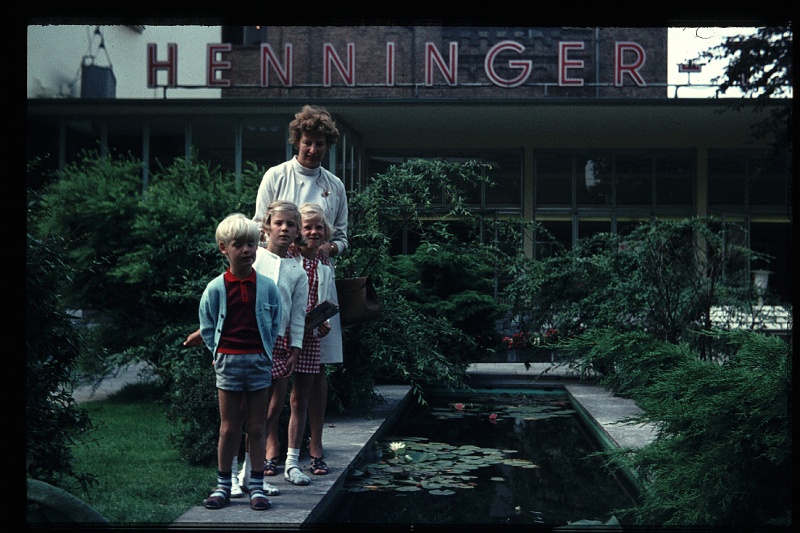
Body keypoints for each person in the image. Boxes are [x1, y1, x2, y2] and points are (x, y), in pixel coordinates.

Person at [252, 105, 347, 476]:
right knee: (277, 363)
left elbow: (342, 236)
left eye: (320, 144)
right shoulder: (276, 176)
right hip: (280, 279)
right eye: (308, 143)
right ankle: (273, 445)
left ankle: (315, 443)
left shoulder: (334, 185)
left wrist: (330, 248)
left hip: (319, 282)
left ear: (327, 146)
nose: (313, 150)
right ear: (297, 141)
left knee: (316, 366)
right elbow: (261, 226)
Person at [198, 213, 281, 511]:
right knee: (228, 427)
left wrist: (265, 352)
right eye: (239, 245)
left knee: (257, 427)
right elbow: (207, 325)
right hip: (228, 363)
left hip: (258, 362)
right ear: (224, 248)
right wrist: (218, 352)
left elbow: (275, 320)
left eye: (252, 243)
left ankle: (255, 486)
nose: (247, 250)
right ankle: (223, 485)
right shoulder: (216, 288)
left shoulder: (268, 286)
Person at [235, 200, 309, 496]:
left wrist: (295, 349)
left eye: (291, 224)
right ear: (266, 226)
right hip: (250, 340)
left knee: (271, 410)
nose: (284, 228)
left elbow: (299, 314)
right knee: (244, 412)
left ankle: (252, 473)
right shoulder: (254, 258)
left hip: (280, 345)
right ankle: (236, 473)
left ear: (297, 232)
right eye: (278, 223)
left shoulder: (297, 270)